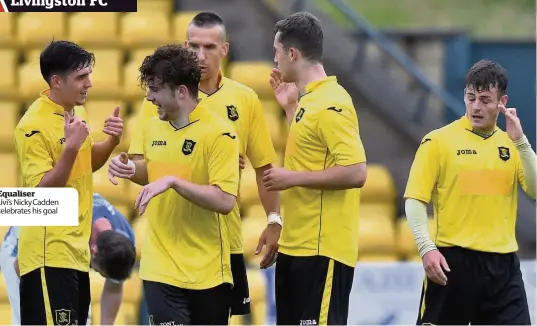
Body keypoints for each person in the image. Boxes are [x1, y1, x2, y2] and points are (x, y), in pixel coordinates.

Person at [127, 11, 282, 317]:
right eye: (193, 46)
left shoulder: (244, 99)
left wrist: (274, 218)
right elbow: (143, 165)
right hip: (167, 247)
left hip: (220, 242)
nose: (200, 55)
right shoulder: (159, 103)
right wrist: (141, 171)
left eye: (209, 47)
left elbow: (264, 168)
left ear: (224, 49)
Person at [108, 44, 240, 325]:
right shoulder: (152, 125)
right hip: (160, 267)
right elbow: (153, 171)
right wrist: (130, 169)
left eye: (155, 89)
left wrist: (173, 182)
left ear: (181, 92)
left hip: (208, 272)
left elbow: (225, 200)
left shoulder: (219, 132)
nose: (149, 97)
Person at [404, 59, 536, 325]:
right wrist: (426, 247)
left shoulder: (511, 144)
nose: (476, 106)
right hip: (452, 265)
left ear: (502, 101)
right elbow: (415, 200)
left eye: (485, 100)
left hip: (502, 269)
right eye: (471, 97)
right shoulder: (438, 141)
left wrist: (521, 142)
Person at [264, 12, 367, 326]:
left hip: (323, 250)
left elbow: (356, 171)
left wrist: (290, 178)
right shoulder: (308, 100)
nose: (275, 59)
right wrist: (291, 108)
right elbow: (315, 152)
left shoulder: (333, 103)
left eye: (277, 52)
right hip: (297, 245)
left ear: (293, 54)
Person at [13, 40, 124, 325]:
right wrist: (71, 148)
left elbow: (84, 164)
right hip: (49, 254)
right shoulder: (32, 125)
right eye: (81, 77)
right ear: (56, 81)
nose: (90, 83)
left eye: (89, 75)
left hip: (76, 253)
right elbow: (41, 195)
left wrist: (110, 143)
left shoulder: (77, 112)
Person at [0, 193, 137, 325]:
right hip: (20, 249)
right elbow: (21, 266)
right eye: (101, 272)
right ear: (93, 252)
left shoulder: (124, 244)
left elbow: (114, 287)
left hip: (66, 257)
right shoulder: (65, 228)